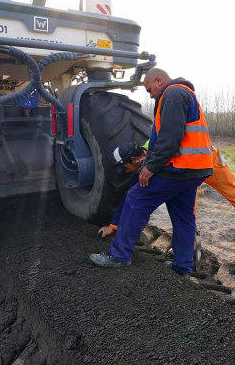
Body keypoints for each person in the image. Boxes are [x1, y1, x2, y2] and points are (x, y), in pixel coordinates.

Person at [90, 69, 213, 276]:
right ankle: (183, 267)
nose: (150, 95)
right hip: (195, 169)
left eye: (150, 89)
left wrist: (151, 167)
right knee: (183, 216)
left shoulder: (172, 94)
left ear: (159, 80)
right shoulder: (183, 93)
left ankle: (119, 256)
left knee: (137, 198)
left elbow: (170, 137)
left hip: (180, 167)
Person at [104, 141, 235, 242]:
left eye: (125, 167)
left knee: (232, 191)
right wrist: (114, 224)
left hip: (209, 160)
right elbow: (131, 193)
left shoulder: (157, 152)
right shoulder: (142, 164)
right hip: (189, 169)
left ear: (134, 159)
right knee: (188, 206)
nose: (125, 172)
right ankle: (192, 244)